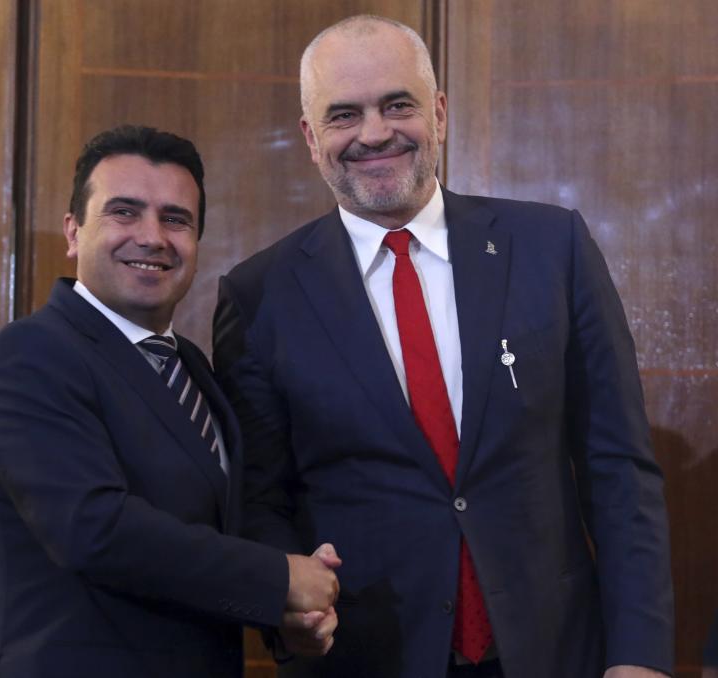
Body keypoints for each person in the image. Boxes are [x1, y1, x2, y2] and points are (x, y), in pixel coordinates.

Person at [213, 15, 673, 678]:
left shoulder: (551, 249)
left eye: (397, 105)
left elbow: (619, 470)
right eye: (344, 115)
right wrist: (290, 622)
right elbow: (259, 499)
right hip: (364, 657)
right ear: (312, 139)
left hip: (551, 653)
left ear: (440, 113)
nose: (374, 133)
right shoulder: (260, 295)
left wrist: (640, 658)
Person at [0, 125, 340, 678]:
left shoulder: (192, 366)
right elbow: (95, 530)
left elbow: (219, 529)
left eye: (175, 219)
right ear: (73, 231)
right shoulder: (31, 353)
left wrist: (288, 618)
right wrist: (279, 580)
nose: (152, 237)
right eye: (124, 211)